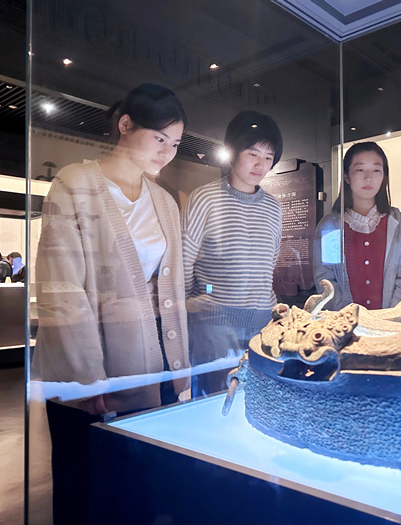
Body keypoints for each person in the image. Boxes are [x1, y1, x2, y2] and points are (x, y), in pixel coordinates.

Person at [32, 83, 190, 524]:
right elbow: (62, 286)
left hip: (151, 363)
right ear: (125, 125)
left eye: (175, 144)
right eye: (159, 138)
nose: (167, 152)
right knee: (85, 490)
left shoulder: (165, 201)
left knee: (136, 489)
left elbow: (171, 291)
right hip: (91, 370)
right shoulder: (74, 183)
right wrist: (86, 376)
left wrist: (179, 368)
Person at [181, 110, 283, 397]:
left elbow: (268, 266)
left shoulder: (273, 208)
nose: (261, 164)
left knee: (257, 403)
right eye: (253, 154)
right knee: (214, 401)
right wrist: (191, 305)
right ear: (233, 152)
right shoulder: (204, 198)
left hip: (261, 325)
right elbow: (183, 262)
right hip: (213, 324)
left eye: (268, 157)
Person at [313, 142, 401, 311]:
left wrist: (390, 317)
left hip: (391, 322)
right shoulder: (330, 227)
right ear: (346, 176)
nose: (368, 177)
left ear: (384, 176)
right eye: (360, 169)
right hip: (344, 322)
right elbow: (326, 279)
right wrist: (347, 317)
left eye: (376, 170)